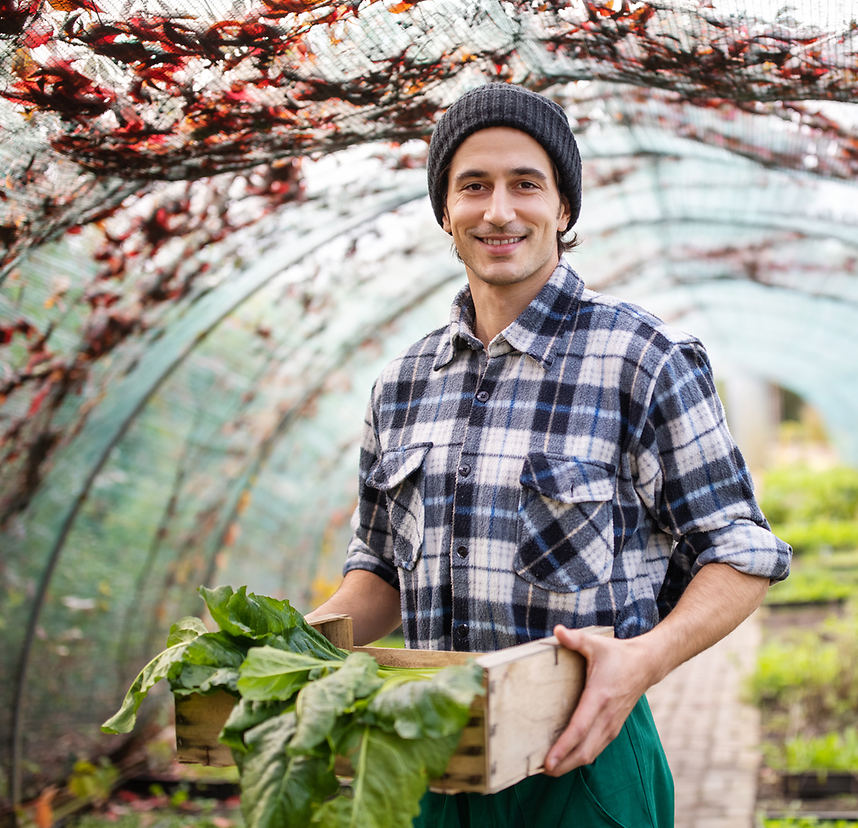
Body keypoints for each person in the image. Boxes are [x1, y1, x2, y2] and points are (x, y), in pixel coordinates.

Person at [306, 83, 790, 827]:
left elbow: (741, 551)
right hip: (429, 759)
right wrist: (287, 646)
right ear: (445, 212)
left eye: (525, 184)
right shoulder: (402, 384)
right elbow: (378, 572)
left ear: (563, 209)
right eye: (473, 186)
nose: (499, 210)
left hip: (582, 761)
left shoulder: (640, 358)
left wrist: (645, 660)